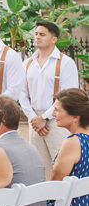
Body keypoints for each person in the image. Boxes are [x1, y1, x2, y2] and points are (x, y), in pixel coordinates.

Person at [19, 20, 79, 176]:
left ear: (54, 39)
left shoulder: (65, 63)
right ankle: (47, 200)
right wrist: (34, 118)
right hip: (34, 123)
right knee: (40, 167)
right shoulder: (27, 64)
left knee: (62, 166)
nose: (37, 37)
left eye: (42, 34)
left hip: (57, 120)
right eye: (36, 34)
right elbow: (22, 94)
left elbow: (67, 94)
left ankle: (65, 200)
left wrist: (44, 117)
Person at [49, 87, 89, 206]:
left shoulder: (73, 142)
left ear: (75, 117)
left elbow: (55, 184)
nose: (54, 114)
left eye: (58, 110)